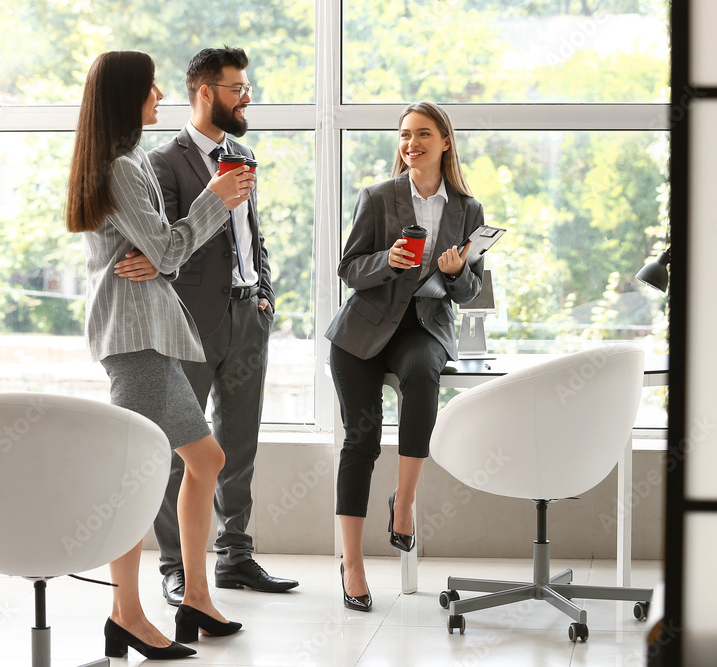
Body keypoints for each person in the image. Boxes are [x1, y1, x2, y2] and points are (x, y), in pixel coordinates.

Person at [66, 50, 254, 658]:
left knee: (205, 461)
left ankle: (194, 596)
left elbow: (163, 253)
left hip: (153, 336)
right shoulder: (123, 169)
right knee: (139, 475)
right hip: (135, 340)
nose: (160, 95)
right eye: (150, 88)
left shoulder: (129, 164)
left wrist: (164, 252)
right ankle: (126, 613)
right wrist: (215, 199)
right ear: (127, 98)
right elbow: (170, 252)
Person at [140, 46, 298, 602]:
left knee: (239, 441)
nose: (247, 96)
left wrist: (265, 294)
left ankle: (236, 555)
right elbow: (165, 245)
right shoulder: (163, 162)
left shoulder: (244, 154)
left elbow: (253, 235)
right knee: (183, 446)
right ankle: (174, 565)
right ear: (206, 93)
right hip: (191, 321)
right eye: (237, 88)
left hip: (247, 315)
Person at [324, 101, 485, 610]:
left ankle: (405, 503)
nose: (411, 144)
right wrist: (388, 261)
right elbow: (348, 268)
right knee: (362, 438)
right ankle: (352, 563)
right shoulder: (376, 197)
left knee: (421, 377)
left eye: (422, 134)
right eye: (404, 135)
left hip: (423, 326)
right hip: (364, 329)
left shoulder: (468, 209)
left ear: (444, 142)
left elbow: (472, 291)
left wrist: (457, 272)